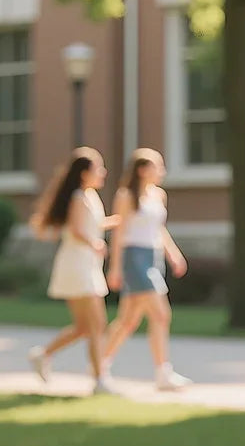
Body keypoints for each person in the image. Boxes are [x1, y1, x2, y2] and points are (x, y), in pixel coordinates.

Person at [27, 147, 118, 394]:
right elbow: (77, 230)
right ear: (84, 173)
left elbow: (93, 225)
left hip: (86, 264)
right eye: (98, 168)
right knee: (97, 325)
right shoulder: (78, 197)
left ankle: (43, 354)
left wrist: (118, 221)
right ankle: (99, 380)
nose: (103, 172)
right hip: (78, 265)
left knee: (84, 327)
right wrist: (95, 244)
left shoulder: (90, 196)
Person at [103, 147, 192, 391]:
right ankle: (163, 373)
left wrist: (173, 254)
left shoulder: (159, 195)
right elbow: (119, 232)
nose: (162, 171)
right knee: (161, 314)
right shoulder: (126, 196)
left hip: (153, 257)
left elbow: (159, 229)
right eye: (157, 166)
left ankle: (100, 364)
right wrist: (115, 268)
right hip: (133, 257)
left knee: (128, 321)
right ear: (142, 170)